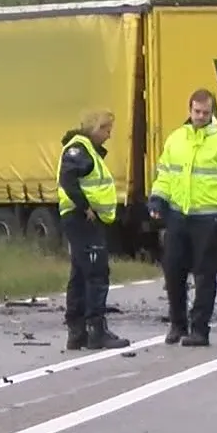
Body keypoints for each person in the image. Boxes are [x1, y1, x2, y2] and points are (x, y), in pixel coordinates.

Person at [148, 89, 217, 346]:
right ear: (189, 110)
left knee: (204, 275)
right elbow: (165, 174)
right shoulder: (176, 139)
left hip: (208, 219)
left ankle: (200, 329)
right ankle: (177, 324)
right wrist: (157, 199)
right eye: (196, 111)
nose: (200, 116)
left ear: (212, 112)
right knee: (173, 272)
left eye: (205, 112)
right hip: (178, 216)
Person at [56, 109, 130, 351]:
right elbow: (68, 180)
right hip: (83, 220)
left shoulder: (86, 151)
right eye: (106, 129)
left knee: (80, 274)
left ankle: (77, 333)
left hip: (83, 219)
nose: (109, 135)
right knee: (96, 274)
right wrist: (85, 206)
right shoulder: (79, 150)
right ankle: (96, 331)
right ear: (94, 129)